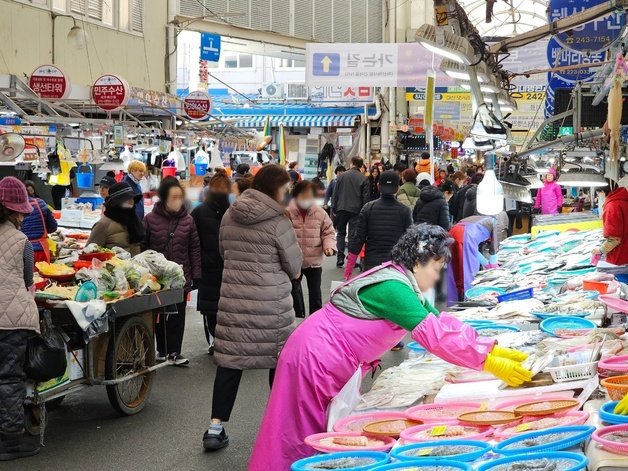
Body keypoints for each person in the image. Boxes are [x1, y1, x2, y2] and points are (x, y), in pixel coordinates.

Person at [249, 224, 532, 470]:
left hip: (330, 359)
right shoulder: (394, 288)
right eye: (436, 269)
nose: (436, 278)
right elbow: (436, 338)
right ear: (419, 261)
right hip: (314, 357)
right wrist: (488, 364)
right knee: (300, 432)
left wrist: (491, 348)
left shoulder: (402, 282)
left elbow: (442, 323)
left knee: (316, 428)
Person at [203, 164, 302, 452]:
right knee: (277, 362)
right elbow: (294, 266)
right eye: (285, 189)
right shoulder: (279, 221)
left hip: (234, 301)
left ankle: (214, 427)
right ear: (275, 189)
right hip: (271, 305)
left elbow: (223, 252)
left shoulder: (231, 214)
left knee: (230, 363)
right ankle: (279, 426)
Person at [0, 177, 41, 460]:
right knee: (9, 378)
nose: (23, 216)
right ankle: (11, 440)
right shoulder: (21, 241)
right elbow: (28, 279)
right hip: (12, 320)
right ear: (12, 211)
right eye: (21, 212)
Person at [142, 177, 200, 366]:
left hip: (181, 276)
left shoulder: (188, 220)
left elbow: (194, 248)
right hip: (156, 277)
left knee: (178, 314)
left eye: (179, 197)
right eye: (173, 196)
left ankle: (175, 351)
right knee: (158, 314)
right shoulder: (150, 219)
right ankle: (160, 349)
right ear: (164, 197)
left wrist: (196, 275)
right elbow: (143, 248)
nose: (177, 200)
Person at [345, 170, 413, 278]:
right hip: (395, 265)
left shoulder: (368, 208)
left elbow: (358, 239)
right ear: (398, 188)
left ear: (378, 186)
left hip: (372, 264)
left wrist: (349, 267)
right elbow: (410, 240)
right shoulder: (405, 211)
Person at [192, 171, 232, 355]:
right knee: (210, 309)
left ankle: (226, 340)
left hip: (230, 267)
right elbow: (192, 241)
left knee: (229, 308)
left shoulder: (234, 212)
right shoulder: (199, 212)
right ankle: (214, 340)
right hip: (207, 268)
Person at [287, 181, 336, 315]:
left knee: (315, 294)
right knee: (293, 294)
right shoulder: (287, 212)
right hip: (294, 261)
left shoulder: (320, 213)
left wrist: (329, 246)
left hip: (314, 261)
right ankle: (297, 319)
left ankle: (315, 322)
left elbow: (328, 232)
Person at [447, 212, 509, 305]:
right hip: (467, 234)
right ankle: (469, 300)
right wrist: (493, 265)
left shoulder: (479, 218)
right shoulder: (497, 223)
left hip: (453, 231)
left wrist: (485, 263)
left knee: (455, 267)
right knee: (469, 270)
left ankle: (453, 300)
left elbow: (473, 250)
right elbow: (494, 247)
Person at [87, 182, 144, 256]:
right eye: (126, 199)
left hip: (136, 266)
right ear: (116, 202)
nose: (131, 201)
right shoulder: (103, 225)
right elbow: (88, 253)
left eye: (132, 198)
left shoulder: (134, 221)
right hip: (111, 266)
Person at [331, 157, 369, 267]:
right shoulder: (363, 178)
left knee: (341, 232)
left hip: (341, 208)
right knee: (353, 234)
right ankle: (351, 260)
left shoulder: (341, 176)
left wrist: (334, 207)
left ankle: (340, 257)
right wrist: (364, 212)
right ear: (361, 166)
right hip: (356, 210)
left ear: (352, 164)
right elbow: (365, 198)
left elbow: (335, 193)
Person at [591, 184, 628, 266]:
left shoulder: (612, 206)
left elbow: (615, 239)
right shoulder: (624, 200)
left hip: (620, 259)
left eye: (598, 193)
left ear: (602, 192)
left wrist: (600, 250)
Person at [21, 184, 58, 263]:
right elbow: (53, 226)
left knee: (25, 275)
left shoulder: (13, 208)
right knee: (43, 273)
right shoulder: (40, 203)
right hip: (41, 249)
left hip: (22, 250)